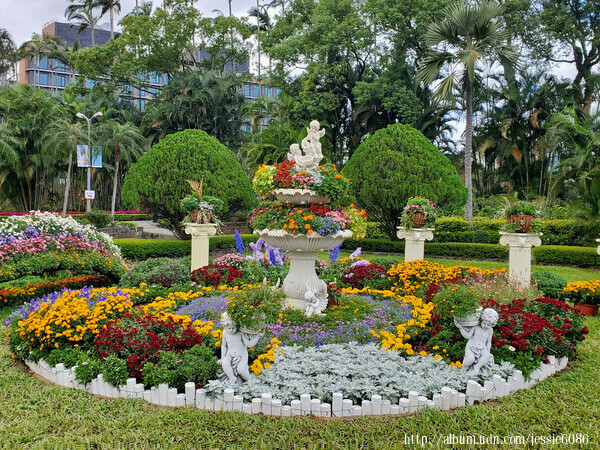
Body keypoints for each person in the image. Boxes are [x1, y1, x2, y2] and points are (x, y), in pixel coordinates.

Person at [219, 312, 262, 384]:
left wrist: (258, 336)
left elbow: (249, 344)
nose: (231, 330)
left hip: (242, 356)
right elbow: (224, 345)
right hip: (229, 355)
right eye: (228, 328)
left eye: (233, 328)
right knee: (225, 363)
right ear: (224, 326)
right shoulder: (225, 333)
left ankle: (249, 380)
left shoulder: (240, 333)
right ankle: (232, 378)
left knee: (241, 369)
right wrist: (222, 357)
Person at [455, 308, 499, 374]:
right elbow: (467, 336)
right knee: (470, 359)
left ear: (492, 325)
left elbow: (488, 342)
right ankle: (463, 368)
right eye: (484, 323)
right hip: (471, 347)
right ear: (482, 320)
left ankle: (477, 367)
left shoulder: (490, 330)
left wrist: (488, 351)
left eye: (489, 325)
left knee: (487, 356)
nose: (486, 326)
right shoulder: (476, 327)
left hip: (482, 348)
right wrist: (460, 328)